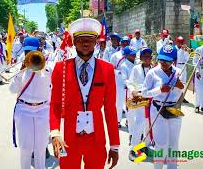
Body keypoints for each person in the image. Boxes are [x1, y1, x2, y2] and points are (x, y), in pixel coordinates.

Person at [50, 18, 120, 168]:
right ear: (74, 42)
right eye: (81, 39)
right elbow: (55, 105)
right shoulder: (60, 68)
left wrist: (114, 145)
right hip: (69, 139)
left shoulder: (107, 69)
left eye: (90, 39)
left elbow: (110, 109)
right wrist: (55, 133)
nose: (85, 43)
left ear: (96, 42)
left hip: (96, 140)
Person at [10, 37, 52, 169]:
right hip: (24, 110)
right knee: (26, 148)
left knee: (40, 148)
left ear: (39, 50)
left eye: (32, 51)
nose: (29, 54)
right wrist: (19, 73)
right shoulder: (20, 67)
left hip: (42, 110)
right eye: (26, 51)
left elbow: (52, 86)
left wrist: (42, 66)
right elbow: (12, 90)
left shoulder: (47, 66)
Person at [142, 45, 184, 169]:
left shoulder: (179, 72)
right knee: (161, 144)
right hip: (158, 110)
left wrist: (181, 86)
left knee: (173, 144)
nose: (164, 63)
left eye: (167, 60)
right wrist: (159, 90)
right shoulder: (152, 72)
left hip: (174, 110)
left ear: (173, 60)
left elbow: (183, 91)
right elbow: (144, 92)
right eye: (162, 59)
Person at [125, 47, 154, 161]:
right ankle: (133, 149)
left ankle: (145, 146)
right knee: (139, 124)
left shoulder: (155, 69)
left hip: (151, 100)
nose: (147, 59)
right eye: (145, 56)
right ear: (141, 58)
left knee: (149, 124)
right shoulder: (136, 68)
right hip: (140, 99)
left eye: (149, 57)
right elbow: (130, 82)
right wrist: (133, 91)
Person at [110, 36, 131, 128]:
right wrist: (119, 72)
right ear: (120, 43)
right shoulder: (116, 55)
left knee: (129, 101)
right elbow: (111, 68)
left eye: (127, 43)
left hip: (130, 80)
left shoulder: (134, 53)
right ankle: (117, 121)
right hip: (118, 80)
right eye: (123, 43)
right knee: (118, 102)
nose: (125, 44)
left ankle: (128, 120)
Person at [120, 46, 139, 147]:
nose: (134, 55)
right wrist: (132, 88)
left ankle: (138, 134)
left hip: (138, 92)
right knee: (131, 115)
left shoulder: (137, 64)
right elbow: (125, 80)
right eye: (132, 54)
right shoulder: (124, 66)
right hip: (129, 92)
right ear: (126, 56)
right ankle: (131, 134)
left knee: (139, 114)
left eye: (135, 53)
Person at [175, 36, 190, 103]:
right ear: (177, 42)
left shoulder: (184, 50)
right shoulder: (175, 49)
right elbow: (177, 56)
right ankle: (176, 97)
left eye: (182, 42)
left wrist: (186, 52)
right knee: (177, 82)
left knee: (183, 83)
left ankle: (182, 97)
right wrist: (182, 49)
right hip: (177, 66)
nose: (181, 43)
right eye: (179, 42)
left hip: (184, 66)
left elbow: (187, 59)